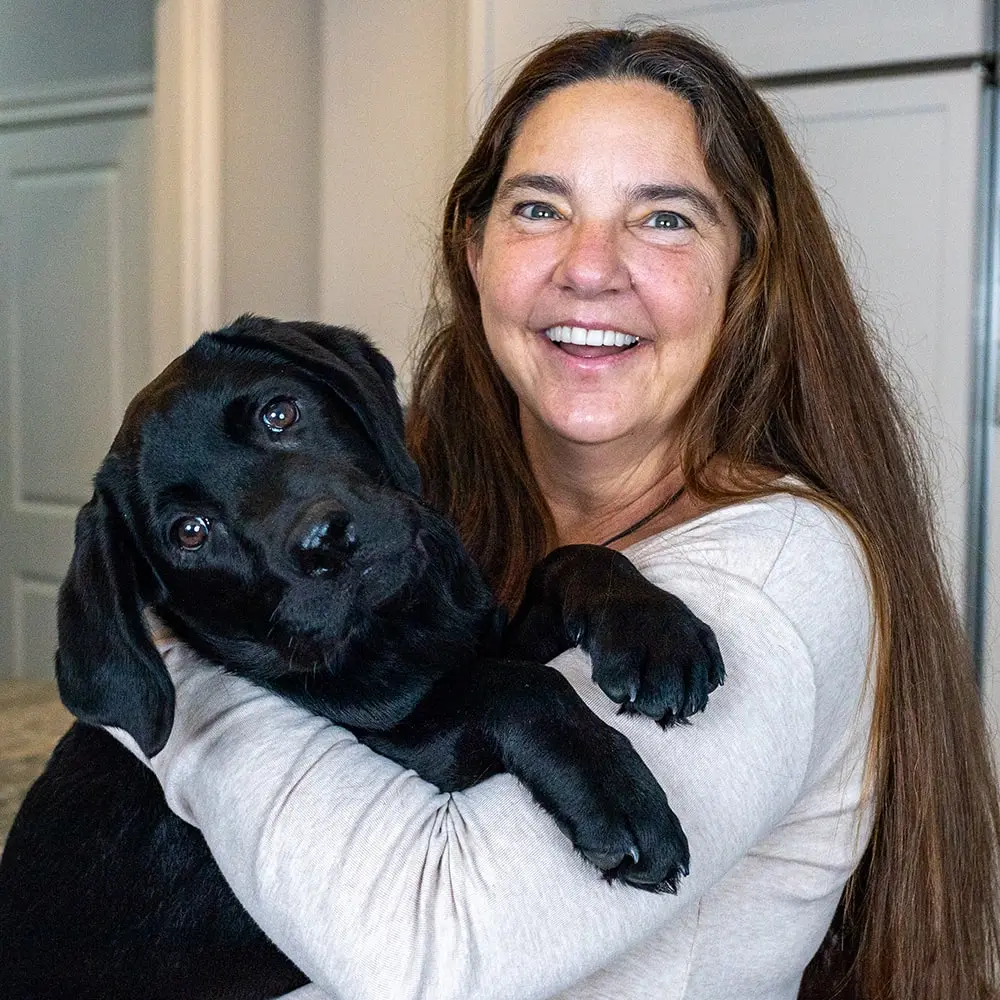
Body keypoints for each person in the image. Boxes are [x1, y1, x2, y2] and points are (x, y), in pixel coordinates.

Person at [115, 25, 999, 1000]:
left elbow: (432, 951)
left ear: (747, 274)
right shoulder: (426, 517)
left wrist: (175, 684)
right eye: (540, 208)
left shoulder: (779, 569)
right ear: (475, 248)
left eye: (664, 219)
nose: (589, 265)